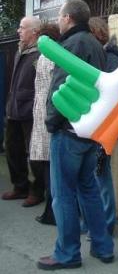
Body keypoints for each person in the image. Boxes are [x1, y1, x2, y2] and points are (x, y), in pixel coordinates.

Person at [37, 0, 114, 270]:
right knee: (89, 190)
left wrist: (51, 122)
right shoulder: (95, 44)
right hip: (89, 131)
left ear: (68, 17)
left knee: (64, 195)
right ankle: (103, 247)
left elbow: (60, 90)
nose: (58, 21)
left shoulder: (71, 45)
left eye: (60, 16)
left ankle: (67, 253)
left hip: (68, 131)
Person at [77, 16, 118, 236]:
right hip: (94, 121)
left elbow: (106, 90)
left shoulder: (110, 57)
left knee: (100, 174)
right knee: (91, 175)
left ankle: (106, 224)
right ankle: (90, 222)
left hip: (104, 123)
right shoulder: (102, 54)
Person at [2, 16, 45, 207]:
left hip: (30, 111)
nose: (18, 31)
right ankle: (20, 187)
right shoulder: (21, 50)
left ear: (34, 32)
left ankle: (37, 191)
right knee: (12, 149)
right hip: (14, 108)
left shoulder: (42, 53)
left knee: (34, 153)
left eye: (22, 27)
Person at [32, 22, 60, 226]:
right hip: (45, 114)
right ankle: (50, 210)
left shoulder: (47, 56)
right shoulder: (52, 56)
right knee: (50, 165)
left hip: (45, 116)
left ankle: (51, 211)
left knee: (50, 166)